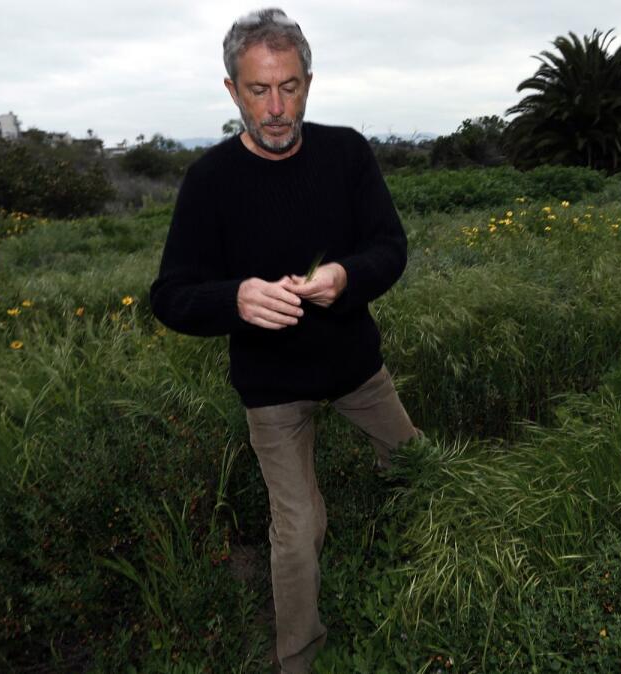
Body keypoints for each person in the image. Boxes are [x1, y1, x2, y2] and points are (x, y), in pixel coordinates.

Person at [148, 8, 423, 673]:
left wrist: (345, 276)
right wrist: (233, 298)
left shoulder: (347, 151)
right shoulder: (210, 180)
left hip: (357, 369)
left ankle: (421, 589)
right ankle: (298, 659)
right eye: (258, 90)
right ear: (231, 91)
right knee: (300, 530)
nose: (276, 108)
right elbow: (171, 295)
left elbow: (391, 247)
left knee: (421, 472)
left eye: (290, 87)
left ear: (308, 81)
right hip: (272, 388)